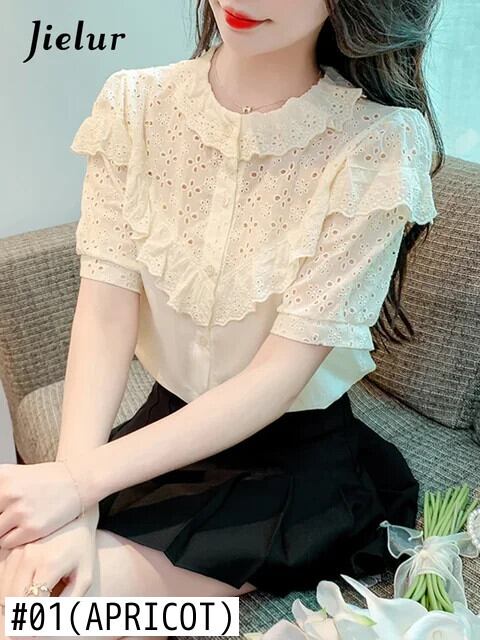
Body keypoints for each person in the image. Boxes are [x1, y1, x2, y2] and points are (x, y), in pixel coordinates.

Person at [0, 1, 443, 638]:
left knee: (39, 614)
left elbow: (276, 377)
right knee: (27, 577)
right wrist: (74, 502)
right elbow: (103, 316)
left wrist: (73, 484)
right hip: (162, 430)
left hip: (290, 465)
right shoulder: (134, 105)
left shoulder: (378, 144)